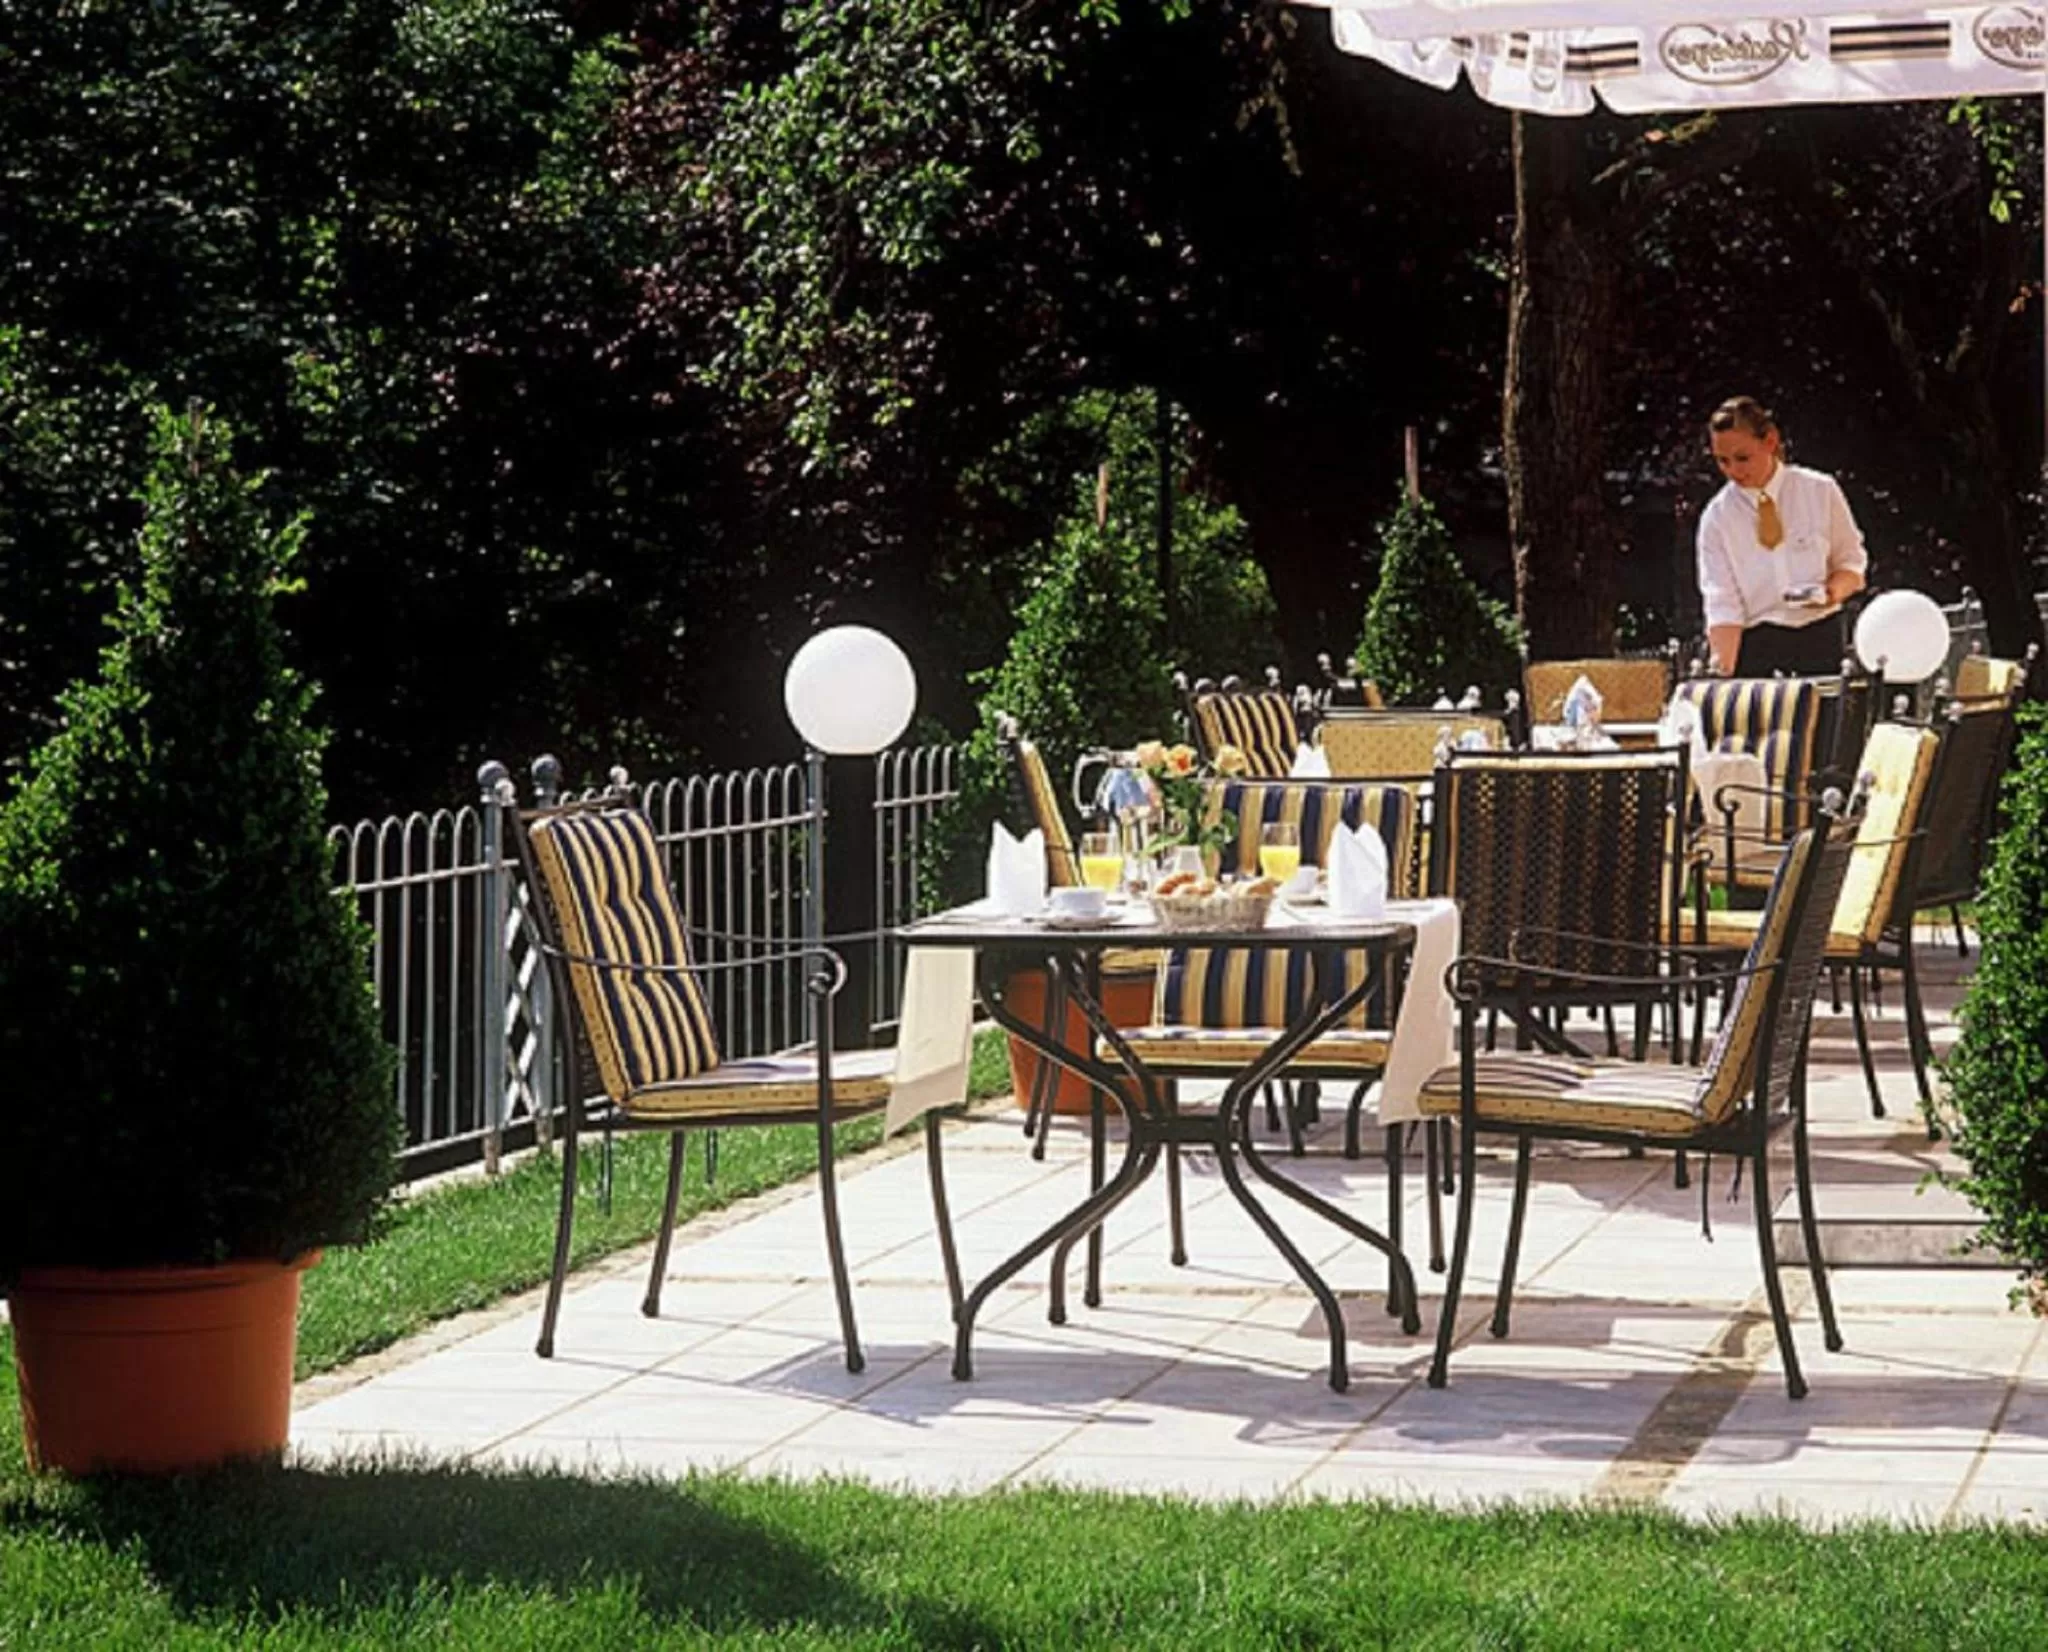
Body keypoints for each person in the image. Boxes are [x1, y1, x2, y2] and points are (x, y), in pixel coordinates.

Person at [1696, 396, 1867, 678]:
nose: (1733, 471)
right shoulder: (1716, 518)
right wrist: (1721, 675)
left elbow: (1851, 562)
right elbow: (1722, 603)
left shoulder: (1821, 490)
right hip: (1756, 643)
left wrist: (1830, 593)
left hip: (1819, 635)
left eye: (1742, 458)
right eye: (1722, 461)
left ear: (1770, 441)